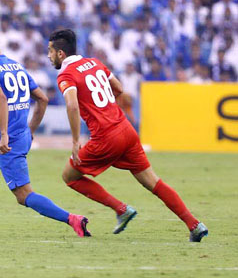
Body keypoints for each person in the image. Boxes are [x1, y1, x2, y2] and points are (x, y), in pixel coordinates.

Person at [47, 29, 208, 242]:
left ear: (60, 53)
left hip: (105, 137)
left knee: (69, 176)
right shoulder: (95, 63)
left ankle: (120, 209)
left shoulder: (66, 74)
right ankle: (194, 224)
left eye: (49, 51)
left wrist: (76, 140)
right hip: (126, 129)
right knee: (153, 181)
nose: (48, 56)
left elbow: (72, 106)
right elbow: (119, 88)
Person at [0, 25, 90, 237]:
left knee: (23, 195)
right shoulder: (16, 66)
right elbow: (42, 99)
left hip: (7, 143)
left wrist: (5, 134)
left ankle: (73, 219)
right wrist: (30, 132)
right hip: (17, 138)